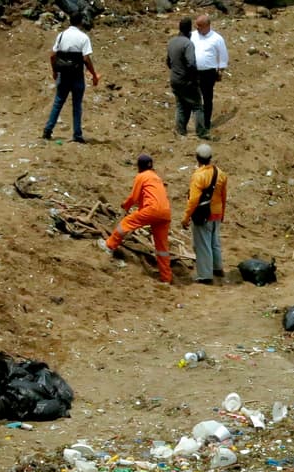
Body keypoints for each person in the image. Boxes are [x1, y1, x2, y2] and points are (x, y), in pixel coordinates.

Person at [101, 154, 173, 283]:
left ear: (139, 166)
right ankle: (166, 277)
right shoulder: (156, 178)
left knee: (126, 223)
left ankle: (109, 245)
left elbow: (134, 198)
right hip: (165, 213)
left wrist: (125, 206)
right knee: (162, 247)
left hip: (152, 210)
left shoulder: (141, 176)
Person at [43, 11, 100, 143]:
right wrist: (94, 74)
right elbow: (86, 58)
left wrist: (55, 71)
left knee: (58, 102)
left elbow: (52, 55)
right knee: (77, 105)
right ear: (81, 22)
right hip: (77, 75)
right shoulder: (83, 38)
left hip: (63, 74)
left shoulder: (62, 35)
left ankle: (48, 130)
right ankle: (77, 134)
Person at [181, 143, 229, 284]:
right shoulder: (220, 173)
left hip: (203, 215)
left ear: (197, 158)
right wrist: (222, 214)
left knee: (202, 245)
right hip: (217, 213)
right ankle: (217, 268)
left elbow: (193, 200)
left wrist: (186, 218)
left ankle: (205, 275)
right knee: (214, 242)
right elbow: (223, 195)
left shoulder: (199, 176)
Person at [167, 17, 204, 138]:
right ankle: (201, 132)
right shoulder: (188, 44)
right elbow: (191, 63)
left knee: (181, 105)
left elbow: (168, 62)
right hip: (186, 81)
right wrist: (194, 79)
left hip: (174, 79)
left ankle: (180, 131)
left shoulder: (171, 42)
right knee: (197, 106)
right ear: (189, 30)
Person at [192, 14, 228, 137]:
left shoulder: (217, 38)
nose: (197, 28)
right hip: (194, 72)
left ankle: (206, 123)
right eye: (196, 25)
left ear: (207, 25)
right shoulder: (193, 36)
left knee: (207, 98)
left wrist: (221, 70)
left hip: (208, 72)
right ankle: (196, 123)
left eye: (200, 26)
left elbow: (223, 55)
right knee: (195, 98)